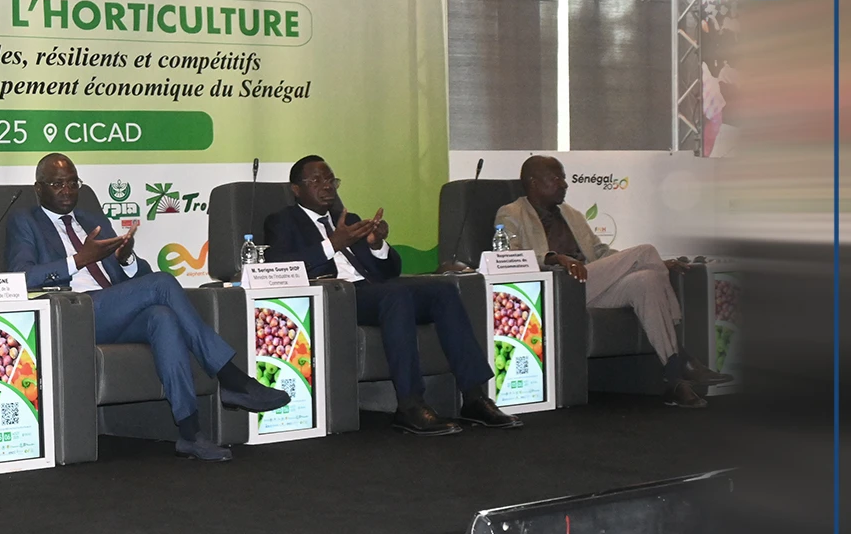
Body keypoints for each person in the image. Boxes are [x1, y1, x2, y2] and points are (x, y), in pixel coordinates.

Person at [4, 153, 290, 462]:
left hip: (113, 310)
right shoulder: (25, 221)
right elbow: (22, 276)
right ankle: (232, 378)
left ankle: (190, 433)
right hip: (74, 314)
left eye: (73, 183)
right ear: (39, 188)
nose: (67, 190)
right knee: (162, 283)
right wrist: (77, 261)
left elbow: (139, 275)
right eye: (57, 184)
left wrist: (126, 259)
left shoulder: (92, 220)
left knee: (162, 317)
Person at [262, 155, 520, 436]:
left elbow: (391, 271)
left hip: (375, 292)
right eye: (316, 180)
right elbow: (279, 265)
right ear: (296, 189)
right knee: (395, 296)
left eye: (331, 180)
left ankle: (474, 397)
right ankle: (410, 404)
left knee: (444, 290)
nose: (327, 186)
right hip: (337, 298)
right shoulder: (282, 221)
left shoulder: (350, 221)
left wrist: (377, 245)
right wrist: (332, 244)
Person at [494, 155, 731, 407]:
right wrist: (554, 258)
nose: (564, 184)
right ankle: (683, 357)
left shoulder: (571, 215)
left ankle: (674, 376)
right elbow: (508, 257)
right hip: (559, 289)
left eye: (563, 178)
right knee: (646, 251)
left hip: (590, 283)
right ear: (533, 182)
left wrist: (655, 264)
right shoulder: (511, 213)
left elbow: (601, 253)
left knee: (647, 279)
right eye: (556, 178)